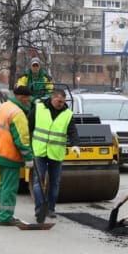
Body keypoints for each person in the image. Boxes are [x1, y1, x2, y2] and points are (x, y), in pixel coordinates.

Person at [28, 89, 80, 222]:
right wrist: (27, 144)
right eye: (59, 101)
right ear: (52, 98)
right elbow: (29, 126)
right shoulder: (39, 108)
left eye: (63, 102)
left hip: (56, 153)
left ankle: (50, 209)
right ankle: (40, 209)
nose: (61, 104)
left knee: (54, 183)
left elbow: (72, 130)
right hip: (40, 150)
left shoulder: (67, 114)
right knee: (38, 182)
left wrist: (75, 144)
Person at [0, 85, 34, 226]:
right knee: (9, 188)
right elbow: (22, 140)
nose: (29, 103)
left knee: (3, 186)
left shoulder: (3, 106)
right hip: (10, 156)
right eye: (27, 100)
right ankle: (5, 217)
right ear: (21, 98)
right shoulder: (18, 114)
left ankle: (2, 214)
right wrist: (28, 158)